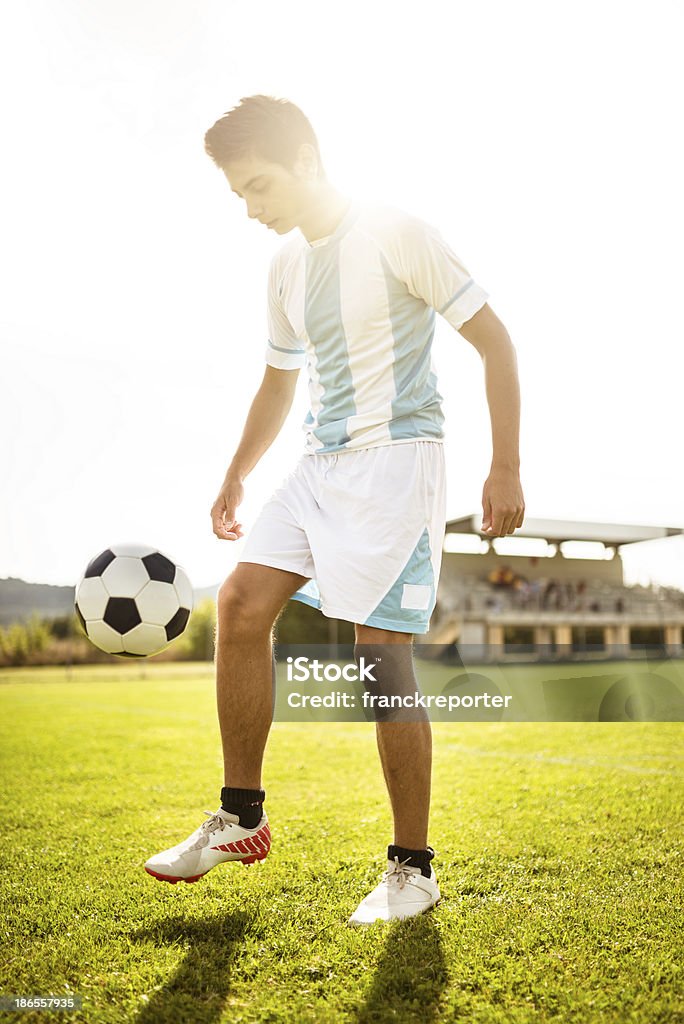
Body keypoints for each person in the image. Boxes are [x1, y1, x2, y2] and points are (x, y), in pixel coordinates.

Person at [144, 95, 525, 924]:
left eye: (259, 186)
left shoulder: (398, 232)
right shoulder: (284, 268)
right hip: (318, 468)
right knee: (239, 604)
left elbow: (494, 340)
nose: (251, 208)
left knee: (378, 656)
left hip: (398, 467)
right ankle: (240, 817)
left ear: (308, 159)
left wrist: (504, 466)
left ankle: (411, 870)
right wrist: (237, 475)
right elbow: (280, 381)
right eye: (238, 194)